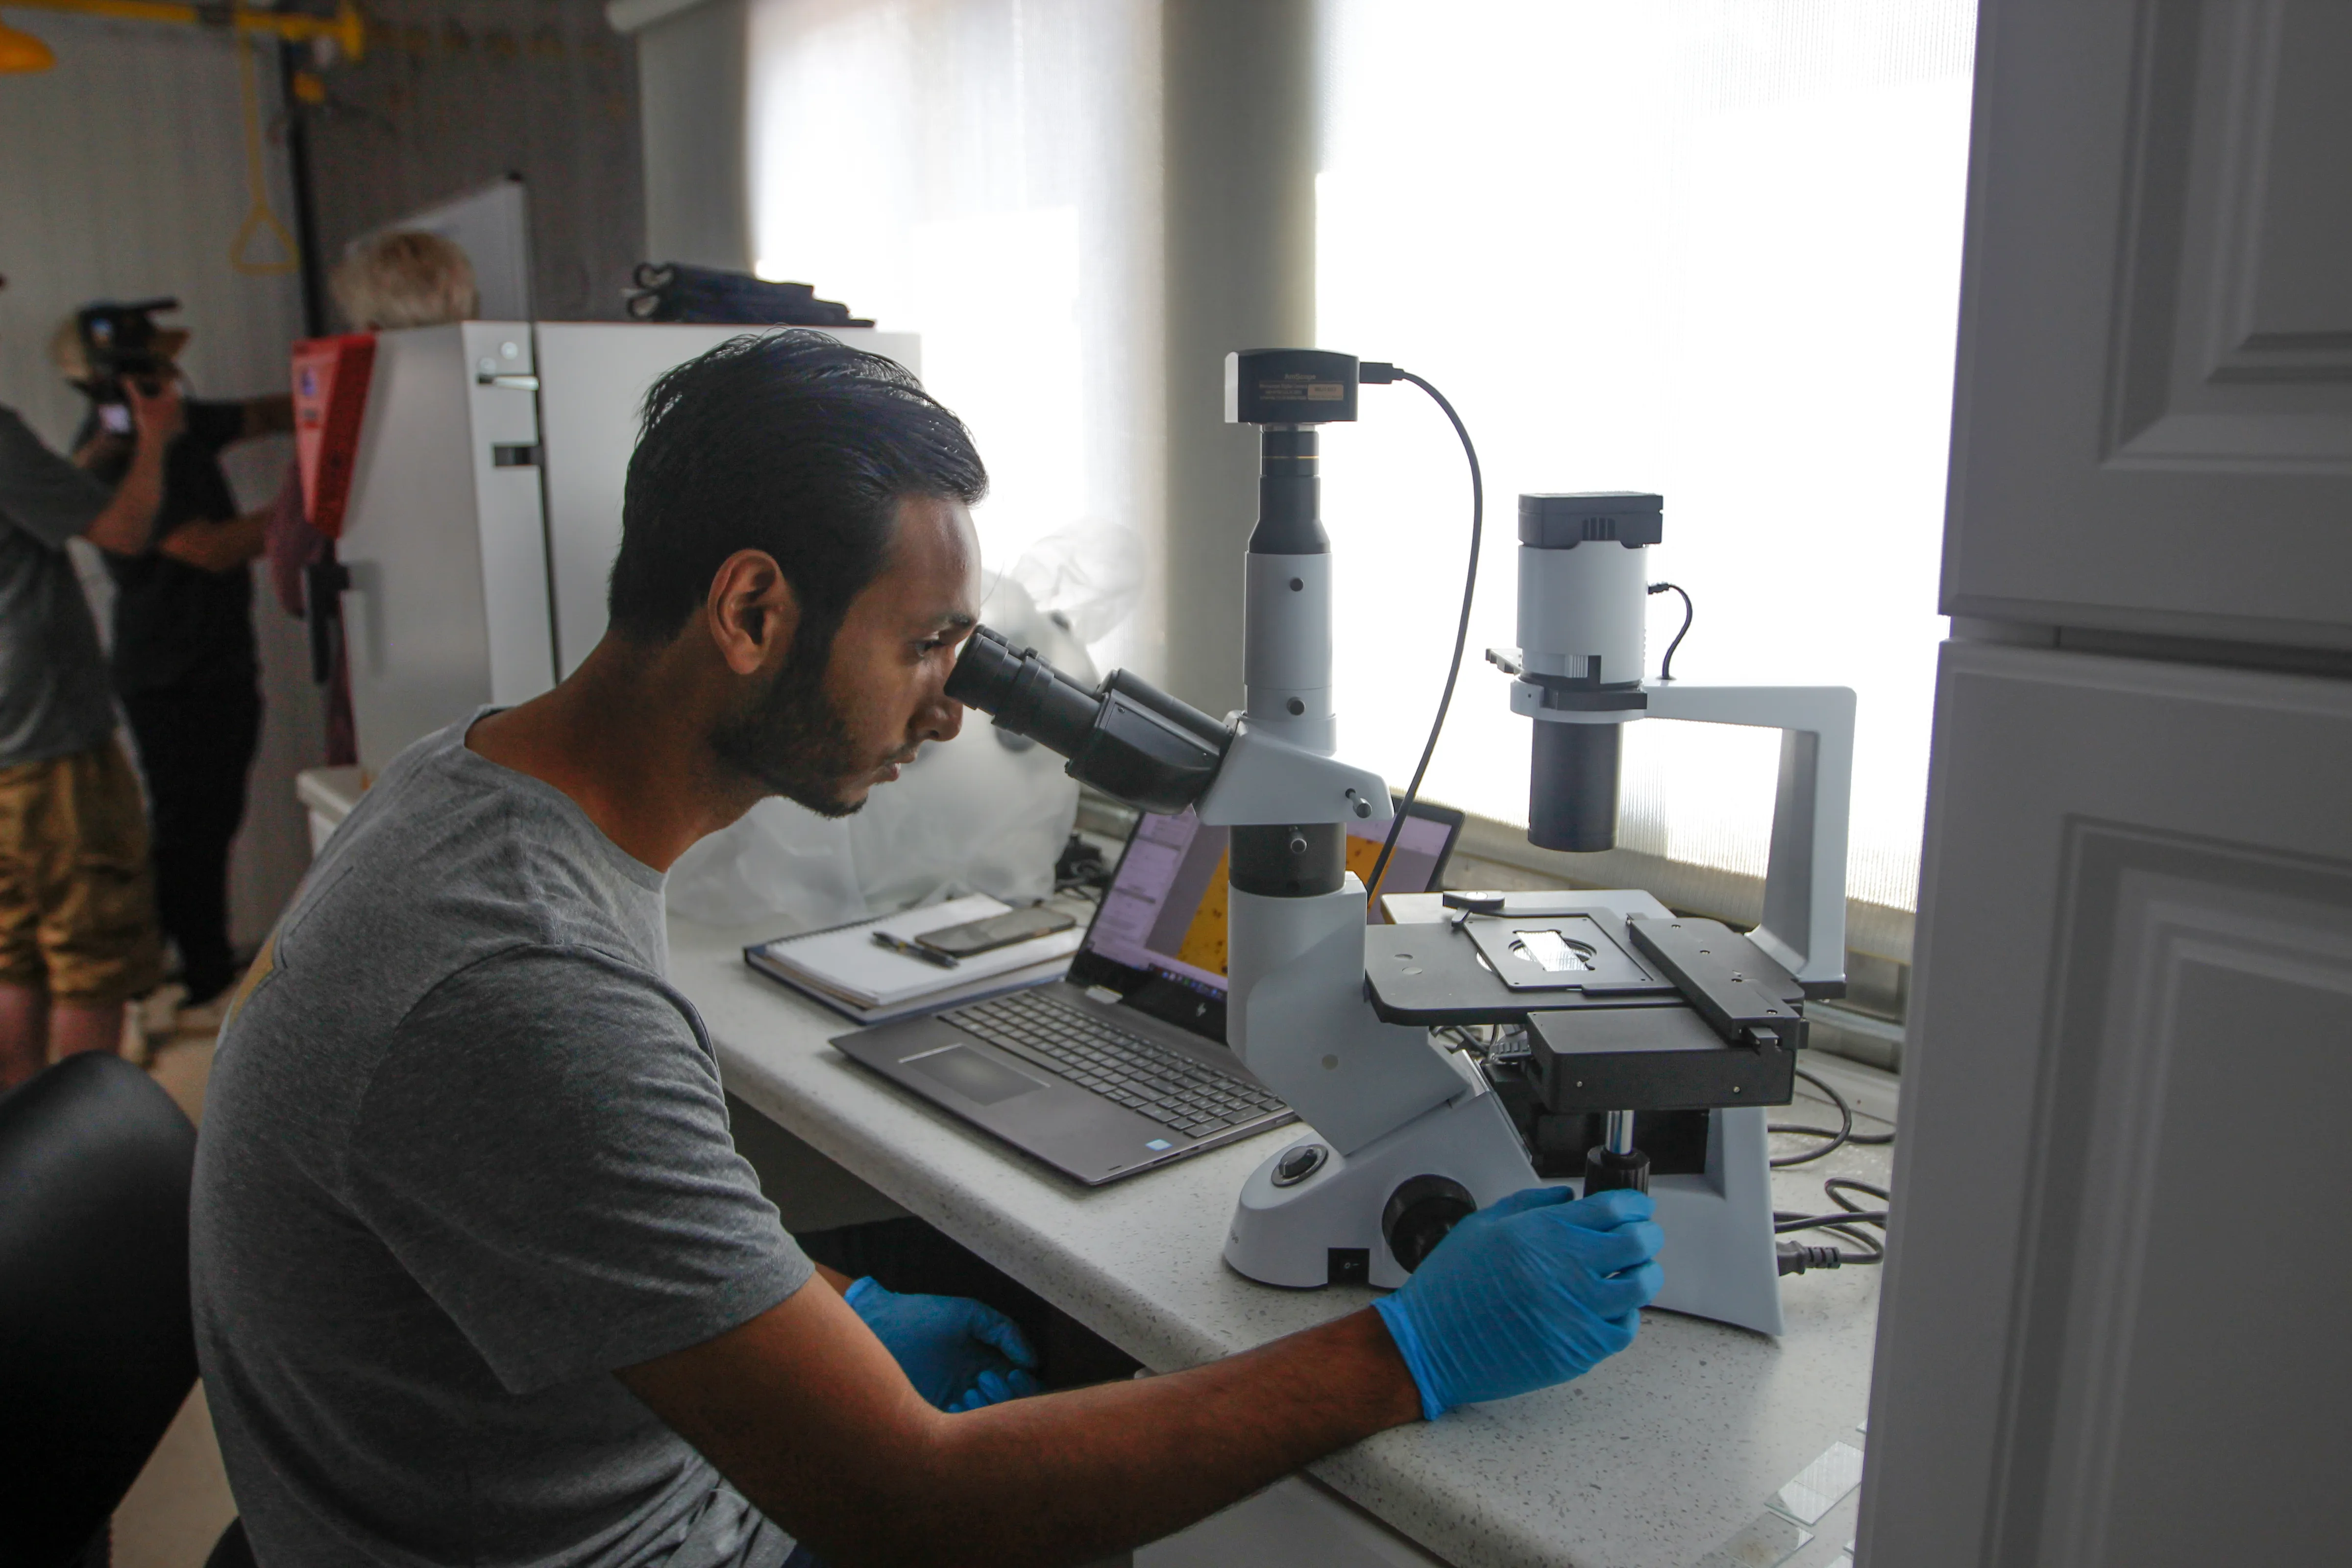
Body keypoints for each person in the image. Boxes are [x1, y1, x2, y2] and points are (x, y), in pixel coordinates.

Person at [192, 331, 1666, 1567]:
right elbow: (911, 1503)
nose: (954, 708)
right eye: (925, 646)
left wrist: (832, 1312)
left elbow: (576, 1209)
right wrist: (1410, 1350)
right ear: (754, 608)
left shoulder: (473, 792)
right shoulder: (519, 983)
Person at [54, 311, 294, 1008]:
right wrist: (311, 503)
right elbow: (211, 546)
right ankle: (201, 980)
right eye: (147, 368)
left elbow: (261, 414)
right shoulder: (112, 454)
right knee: (191, 829)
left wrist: (338, 395)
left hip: (218, 658)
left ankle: (198, 977)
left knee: (210, 821)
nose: (164, 377)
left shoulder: (181, 420)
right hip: (169, 675)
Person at [0, 304, 181, 1090]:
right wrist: (153, 441)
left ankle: (22, 1163)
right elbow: (124, 529)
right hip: (52, 746)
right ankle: (87, 1172)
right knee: (90, 961)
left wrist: (100, 450)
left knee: (12, 957)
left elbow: (42, 509)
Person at [265, 230, 483, 768]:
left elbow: (295, 585)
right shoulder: (521, 388)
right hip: (506, 699)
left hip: (389, 697)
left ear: (369, 328)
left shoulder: (343, 425)